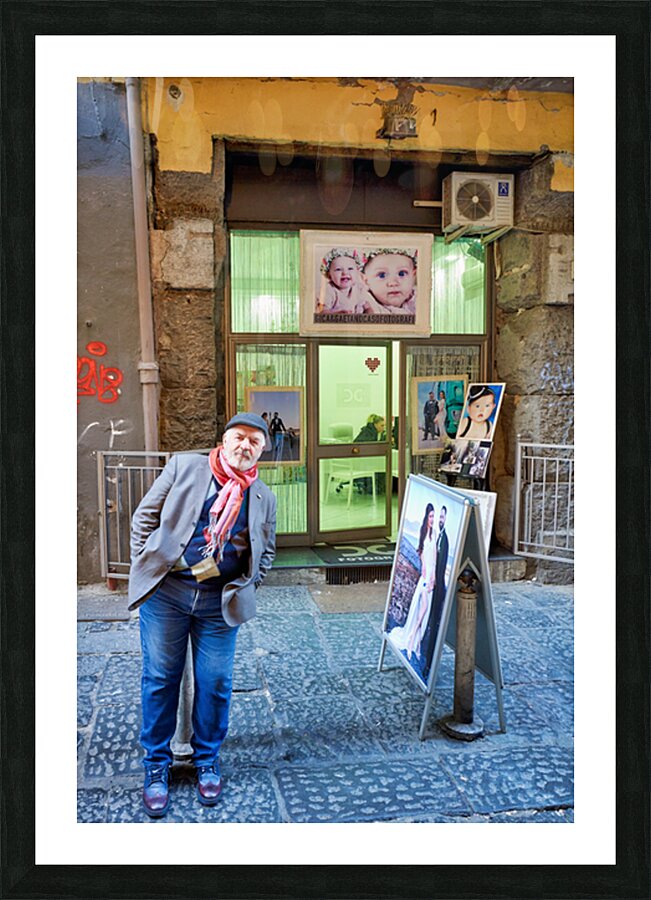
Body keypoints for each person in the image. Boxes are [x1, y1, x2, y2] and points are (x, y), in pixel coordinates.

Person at [128, 413, 276, 818]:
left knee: (215, 682)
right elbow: (145, 517)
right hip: (168, 595)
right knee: (160, 679)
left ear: (262, 449)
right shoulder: (185, 466)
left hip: (218, 603)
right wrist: (147, 566)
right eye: (239, 438)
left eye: (255, 442)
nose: (245, 446)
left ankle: (206, 760)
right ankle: (156, 765)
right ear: (224, 440)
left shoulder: (262, 495)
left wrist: (247, 586)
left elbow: (267, 551)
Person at [389, 503, 437, 662]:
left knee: (425, 609)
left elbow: (435, 557)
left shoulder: (434, 534)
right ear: (426, 517)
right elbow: (421, 551)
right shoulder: (424, 533)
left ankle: (415, 642)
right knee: (421, 608)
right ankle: (411, 639)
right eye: (430, 516)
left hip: (430, 574)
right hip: (425, 574)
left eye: (433, 516)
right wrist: (424, 568)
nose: (432, 519)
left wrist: (433, 576)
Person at [420, 506, 449, 677]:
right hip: (430, 580)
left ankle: (428, 665)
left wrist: (434, 582)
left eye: (442, 517)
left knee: (434, 622)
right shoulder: (436, 535)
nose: (439, 519)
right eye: (439, 516)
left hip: (437, 587)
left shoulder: (444, 540)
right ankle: (425, 658)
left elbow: (442, 566)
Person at [357, 248, 417, 315]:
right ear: (365, 280)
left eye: (402, 273)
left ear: (413, 276)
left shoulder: (418, 301)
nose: (393, 283)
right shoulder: (366, 304)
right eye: (382, 275)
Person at [316, 248, 367, 314]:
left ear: (357, 272)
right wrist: (337, 315)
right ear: (329, 276)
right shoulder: (329, 291)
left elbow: (367, 306)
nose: (345, 273)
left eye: (350, 268)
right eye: (338, 269)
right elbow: (322, 311)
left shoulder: (358, 288)